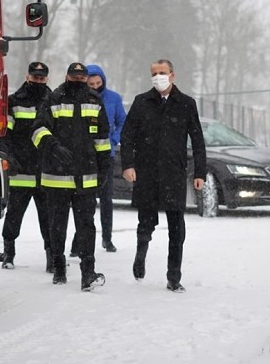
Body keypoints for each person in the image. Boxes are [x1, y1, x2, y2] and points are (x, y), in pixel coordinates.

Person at [120, 58, 207, 293]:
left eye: (162, 72)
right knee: (145, 222)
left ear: (172, 75)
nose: (158, 76)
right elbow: (127, 136)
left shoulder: (186, 104)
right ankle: (141, 254)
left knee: (176, 227)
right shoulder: (141, 102)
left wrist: (200, 172)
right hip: (146, 173)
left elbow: (197, 140)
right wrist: (128, 165)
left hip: (174, 174)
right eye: (154, 73)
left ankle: (174, 276)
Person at [32, 62, 111, 291]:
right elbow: (38, 129)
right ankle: (58, 266)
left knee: (86, 226)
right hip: (56, 176)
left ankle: (88, 272)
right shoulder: (54, 98)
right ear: (67, 75)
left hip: (86, 176)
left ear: (86, 78)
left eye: (81, 76)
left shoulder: (95, 101)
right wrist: (53, 147)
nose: (78, 80)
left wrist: (104, 169)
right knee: (57, 226)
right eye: (74, 76)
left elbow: (102, 139)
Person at [0, 62, 54, 271]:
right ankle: (8, 253)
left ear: (46, 79)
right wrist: (10, 157)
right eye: (35, 77)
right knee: (14, 214)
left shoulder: (53, 101)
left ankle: (51, 257)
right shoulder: (14, 101)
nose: (38, 81)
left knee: (48, 219)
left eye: (41, 78)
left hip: (46, 171)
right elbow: (6, 134)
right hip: (21, 168)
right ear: (27, 76)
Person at [68, 64, 126, 255]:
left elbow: (122, 123)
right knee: (85, 201)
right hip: (84, 157)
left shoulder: (114, 99)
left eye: (98, 83)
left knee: (106, 200)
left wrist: (113, 140)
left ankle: (107, 238)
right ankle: (79, 243)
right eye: (91, 83)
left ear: (103, 81)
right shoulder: (79, 98)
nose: (95, 86)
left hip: (105, 156)